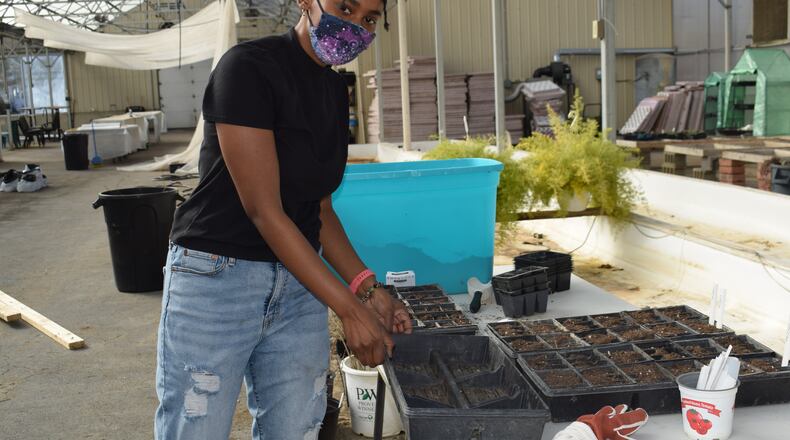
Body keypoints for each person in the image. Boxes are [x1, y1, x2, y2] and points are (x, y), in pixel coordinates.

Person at [154, 1, 410, 438]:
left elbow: (319, 207)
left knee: (296, 427)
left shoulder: (333, 91)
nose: (354, 26)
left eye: (368, 18)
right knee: (196, 427)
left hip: (297, 287)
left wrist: (369, 289)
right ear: (307, 2)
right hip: (217, 279)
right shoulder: (249, 68)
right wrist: (349, 310)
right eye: (344, 7)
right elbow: (264, 211)